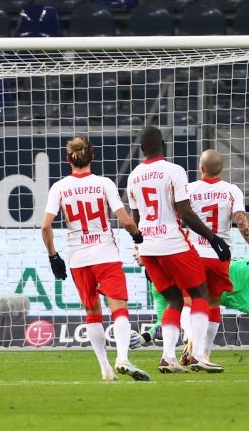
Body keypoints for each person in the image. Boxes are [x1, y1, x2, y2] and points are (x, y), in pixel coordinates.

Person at [41, 136, 150, 382]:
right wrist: (137, 235)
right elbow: (125, 219)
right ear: (94, 158)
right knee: (119, 309)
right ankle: (122, 357)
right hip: (105, 254)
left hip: (77, 257)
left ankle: (105, 369)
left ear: (68, 159)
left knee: (92, 312)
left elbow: (45, 226)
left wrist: (53, 256)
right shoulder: (104, 183)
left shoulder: (59, 187)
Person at [126, 126, 230, 374]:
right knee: (201, 293)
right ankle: (197, 355)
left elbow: (137, 219)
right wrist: (214, 238)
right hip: (173, 242)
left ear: (141, 149)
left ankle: (168, 357)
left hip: (149, 247)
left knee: (173, 298)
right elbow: (186, 213)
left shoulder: (133, 177)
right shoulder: (174, 171)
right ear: (163, 145)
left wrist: (142, 250)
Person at [178, 149, 249, 369]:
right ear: (222, 168)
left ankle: (191, 338)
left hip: (193, 254)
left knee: (188, 302)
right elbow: (240, 220)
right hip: (219, 255)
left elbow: (179, 221)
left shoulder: (189, 189)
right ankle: (204, 354)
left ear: (201, 168)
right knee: (214, 303)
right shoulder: (231, 190)